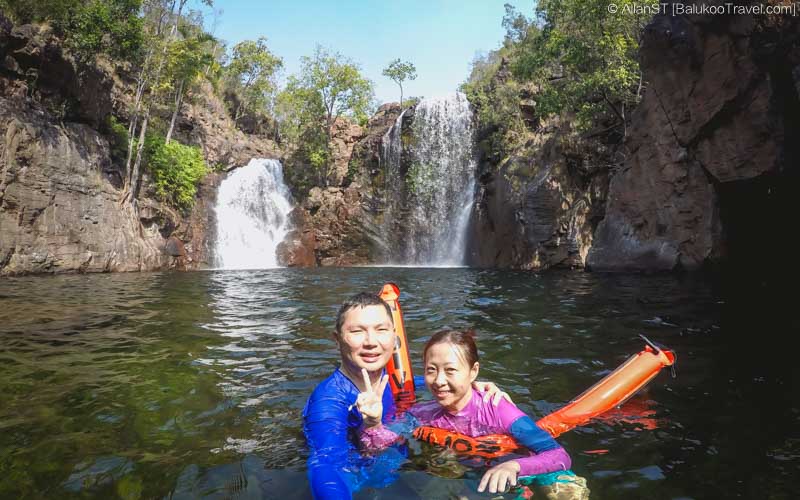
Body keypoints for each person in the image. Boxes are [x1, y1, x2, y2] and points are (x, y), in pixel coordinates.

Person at [302, 293, 511, 499]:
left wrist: (469, 386)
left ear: (394, 337)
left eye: (381, 330)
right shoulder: (329, 401)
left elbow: (428, 383)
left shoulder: (395, 379)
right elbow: (327, 463)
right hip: (365, 481)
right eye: (357, 331)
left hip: (404, 463)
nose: (371, 342)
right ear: (337, 340)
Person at [356, 329, 572, 495]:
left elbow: (558, 455)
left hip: (526, 469)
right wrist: (372, 423)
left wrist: (514, 466)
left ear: (473, 372)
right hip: (472, 476)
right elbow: (380, 445)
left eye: (450, 370)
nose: (439, 381)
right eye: (431, 370)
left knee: (570, 490)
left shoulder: (498, 410)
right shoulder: (422, 414)